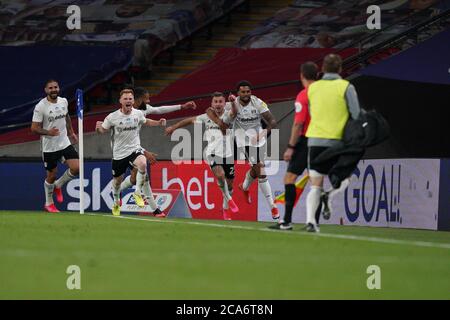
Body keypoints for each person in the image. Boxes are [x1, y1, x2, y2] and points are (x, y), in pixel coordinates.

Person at [304, 54, 361, 232]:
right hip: (338, 142)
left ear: (323, 68)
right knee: (347, 177)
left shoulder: (312, 88)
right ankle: (329, 195)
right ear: (340, 69)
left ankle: (311, 222)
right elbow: (356, 114)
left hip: (315, 140)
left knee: (315, 183)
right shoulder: (346, 87)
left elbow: (314, 111)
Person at [210, 81, 279, 220]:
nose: (246, 94)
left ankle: (245, 186)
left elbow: (272, 121)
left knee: (257, 168)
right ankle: (273, 206)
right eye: (243, 92)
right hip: (243, 141)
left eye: (248, 92)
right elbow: (225, 125)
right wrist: (231, 113)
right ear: (238, 93)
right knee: (260, 169)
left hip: (259, 139)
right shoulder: (232, 105)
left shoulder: (257, 102)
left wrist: (264, 132)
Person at [165, 92, 239, 220]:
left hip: (228, 154)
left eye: (220, 101)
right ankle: (230, 202)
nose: (218, 104)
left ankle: (225, 206)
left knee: (230, 183)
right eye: (215, 101)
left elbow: (235, 111)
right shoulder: (205, 117)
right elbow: (189, 120)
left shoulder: (229, 115)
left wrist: (233, 102)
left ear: (224, 103)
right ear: (211, 104)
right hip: (211, 152)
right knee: (220, 175)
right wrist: (174, 127)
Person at [118, 87, 197, 206]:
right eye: (146, 99)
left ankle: (118, 190)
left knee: (135, 178)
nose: (149, 101)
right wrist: (144, 152)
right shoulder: (126, 113)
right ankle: (151, 206)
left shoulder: (142, 109)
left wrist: (182, 106)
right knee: (142, 169)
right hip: (124, 148)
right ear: (138, 100)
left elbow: (160, 109)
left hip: (134, 146)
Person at [95, 89, 166, 217]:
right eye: (125, 99)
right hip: (119, 154)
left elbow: (146, 121)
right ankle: (116, 201)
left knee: (143, 163)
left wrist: (158, 123)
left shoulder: (138, 114)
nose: (128, 101)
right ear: (120, 101)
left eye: (130, 99)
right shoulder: (112, 117)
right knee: (117, 182)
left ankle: (138, 193)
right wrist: (98, 129)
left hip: (134, 149)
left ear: (133, 101)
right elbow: (102, 130)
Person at [269, 62, 319, 230]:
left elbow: (298, 123)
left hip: (306, 141)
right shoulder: (324, 94)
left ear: (302, 76)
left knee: (289, 178)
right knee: (316, 181)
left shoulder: (304, 95)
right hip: (324, 141)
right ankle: (313, 223)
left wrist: (291, 146)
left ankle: (287, 221)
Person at [31, 79, 79, 213]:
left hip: (64, 143)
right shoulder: (41, 106)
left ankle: (59, 185)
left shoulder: (64, 101)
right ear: (46, 90)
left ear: (59, 88)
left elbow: (67, 117)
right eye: (50, 88)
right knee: (51, 175)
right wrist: (48, 132)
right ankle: (48, 203)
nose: (53, 90)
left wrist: (71, 132)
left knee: (77, 168)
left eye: (55, 87)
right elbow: (34, 128)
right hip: (49, 147)